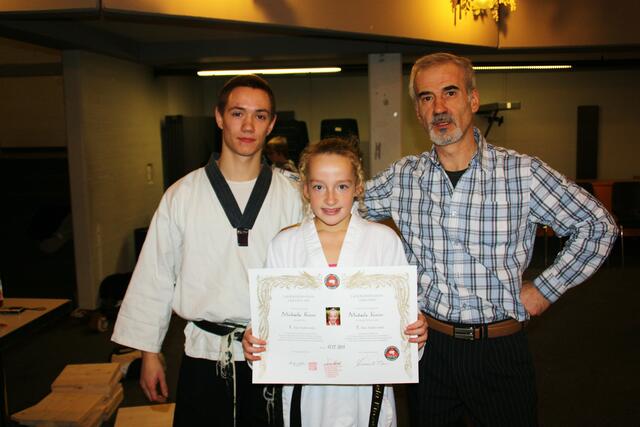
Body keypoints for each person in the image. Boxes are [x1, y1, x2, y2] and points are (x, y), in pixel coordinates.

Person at [363, 52, 618, 426]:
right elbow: (337, 203)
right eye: (426, 97)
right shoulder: (403, 177)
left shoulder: (522, 173)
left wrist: (544, 290)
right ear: (417, 111)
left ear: (473, 100)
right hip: (429, 350)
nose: (439, 108)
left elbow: (597, 226)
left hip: (498, 350)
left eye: (450, 92)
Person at [111, 74, 303, 427]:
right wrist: (149, 353)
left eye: (260, 116)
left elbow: (313, 273)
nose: (248, 126)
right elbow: (156, 274)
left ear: (271, 123)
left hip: (274, 350)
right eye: (237, 113)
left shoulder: (293, 196)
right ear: (219, 117)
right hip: (204, 352)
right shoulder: (182, 195)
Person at [243, 138, 427, 427]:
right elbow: (266, 321)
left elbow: (402, 321)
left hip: (367, 391)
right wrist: (254, 341)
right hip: (306, 393)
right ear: (305, 189)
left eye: (341, 186)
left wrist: (414, 332)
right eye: (319, 187)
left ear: (358, 187)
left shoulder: (383, 241)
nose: (330, 199)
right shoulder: (284, 244)